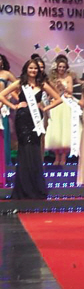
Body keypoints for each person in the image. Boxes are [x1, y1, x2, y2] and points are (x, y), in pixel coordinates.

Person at [0, 59, 62, 199]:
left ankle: (35, 187)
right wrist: (14, 106)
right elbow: (1, 95)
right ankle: (23, 188)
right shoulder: (20, 83)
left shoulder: (42, 84)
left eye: (35, 69)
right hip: (22, 120)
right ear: (26, 69)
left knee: (34, 150)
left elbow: (58, 99)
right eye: (30, 68)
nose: (33, 71)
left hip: (36, 120)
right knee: (24, 150)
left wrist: (45, 108)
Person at [44, 58, 74, 165]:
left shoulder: (69, 77)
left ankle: (64, 157)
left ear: (66, 68)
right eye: (60, 67)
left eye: (63, 67)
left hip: (65, 104)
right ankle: (57, 157)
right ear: (57, 67)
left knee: (65, 129)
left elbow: (70, 91)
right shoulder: (52, 79)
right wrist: (56, 86)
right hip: (55, 104)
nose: (61, 69)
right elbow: (52, 93)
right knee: (55, 129)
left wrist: (63, 86)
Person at [0, 53, 17, 166]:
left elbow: (18, 85)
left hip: (2, 107)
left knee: (3, 135)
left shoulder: (6, 74)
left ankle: (3, 163)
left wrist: (9, 96)